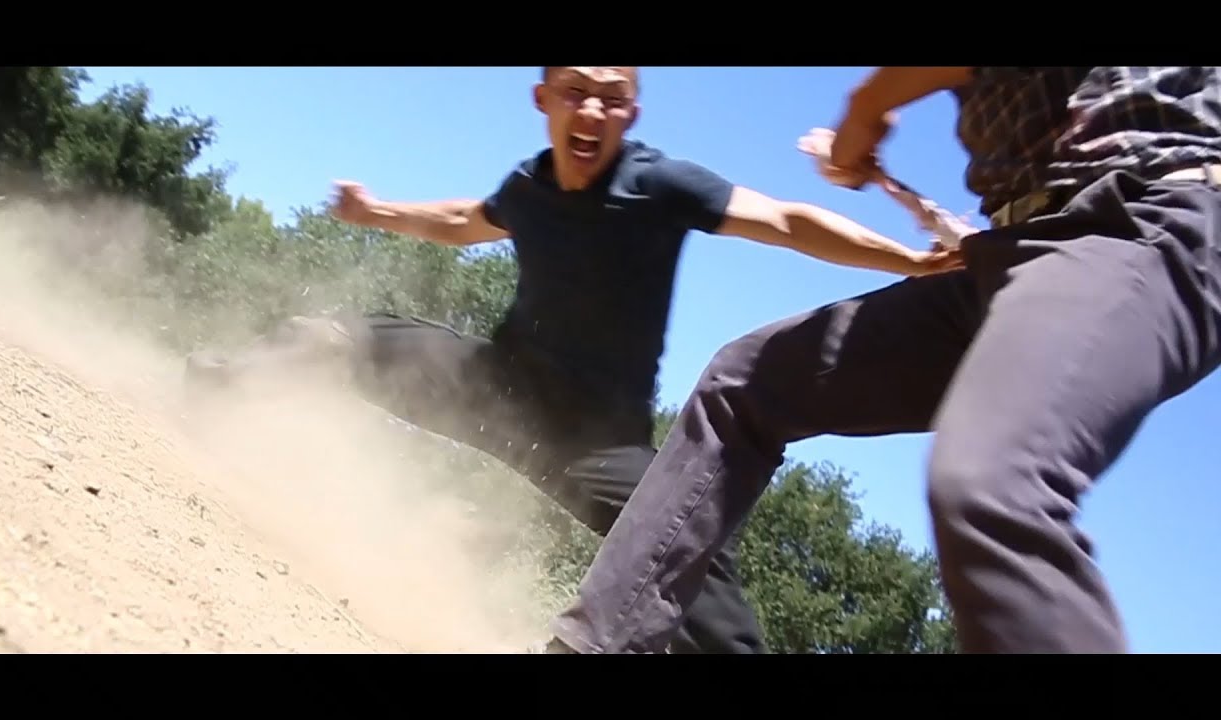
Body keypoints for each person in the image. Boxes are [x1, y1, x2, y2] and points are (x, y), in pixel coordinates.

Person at [183, 66, 961, 654]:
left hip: (597, 444)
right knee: (334, 338)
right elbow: (461, 220)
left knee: (701, 584)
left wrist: (907, 261)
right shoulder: (529, 186)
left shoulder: (659, 185)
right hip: (496, 386)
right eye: (576, 91)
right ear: (544, 99)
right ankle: (202, 401)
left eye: (612, 97)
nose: (592, 111)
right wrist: (376, 211)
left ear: (631, 112)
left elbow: (785, 220)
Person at [543, 66, 1221, 654]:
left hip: (1149, 220)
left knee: (992, 483)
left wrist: (865, 112)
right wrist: (883, 161)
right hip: (1020, 253)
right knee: (745, 382)